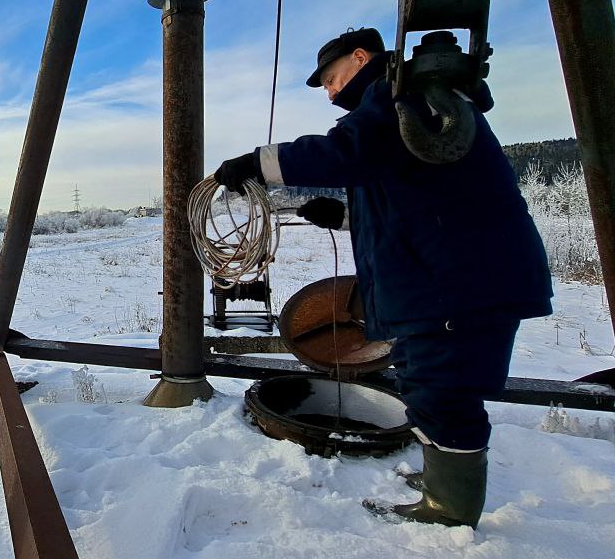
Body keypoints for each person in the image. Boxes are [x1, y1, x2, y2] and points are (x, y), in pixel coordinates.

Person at [215, 27, 552, 528]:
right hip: (448, 280)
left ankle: (449, 509)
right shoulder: (413, 109)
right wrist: (346, 215)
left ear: (360, 57)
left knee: (444, 390)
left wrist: (259, 163)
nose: (330, 93)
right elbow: (415, 194)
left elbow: (347, 152)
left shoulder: (399, 96)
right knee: (424, 380)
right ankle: (442, 478)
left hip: (455, 284)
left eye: (330, 79)